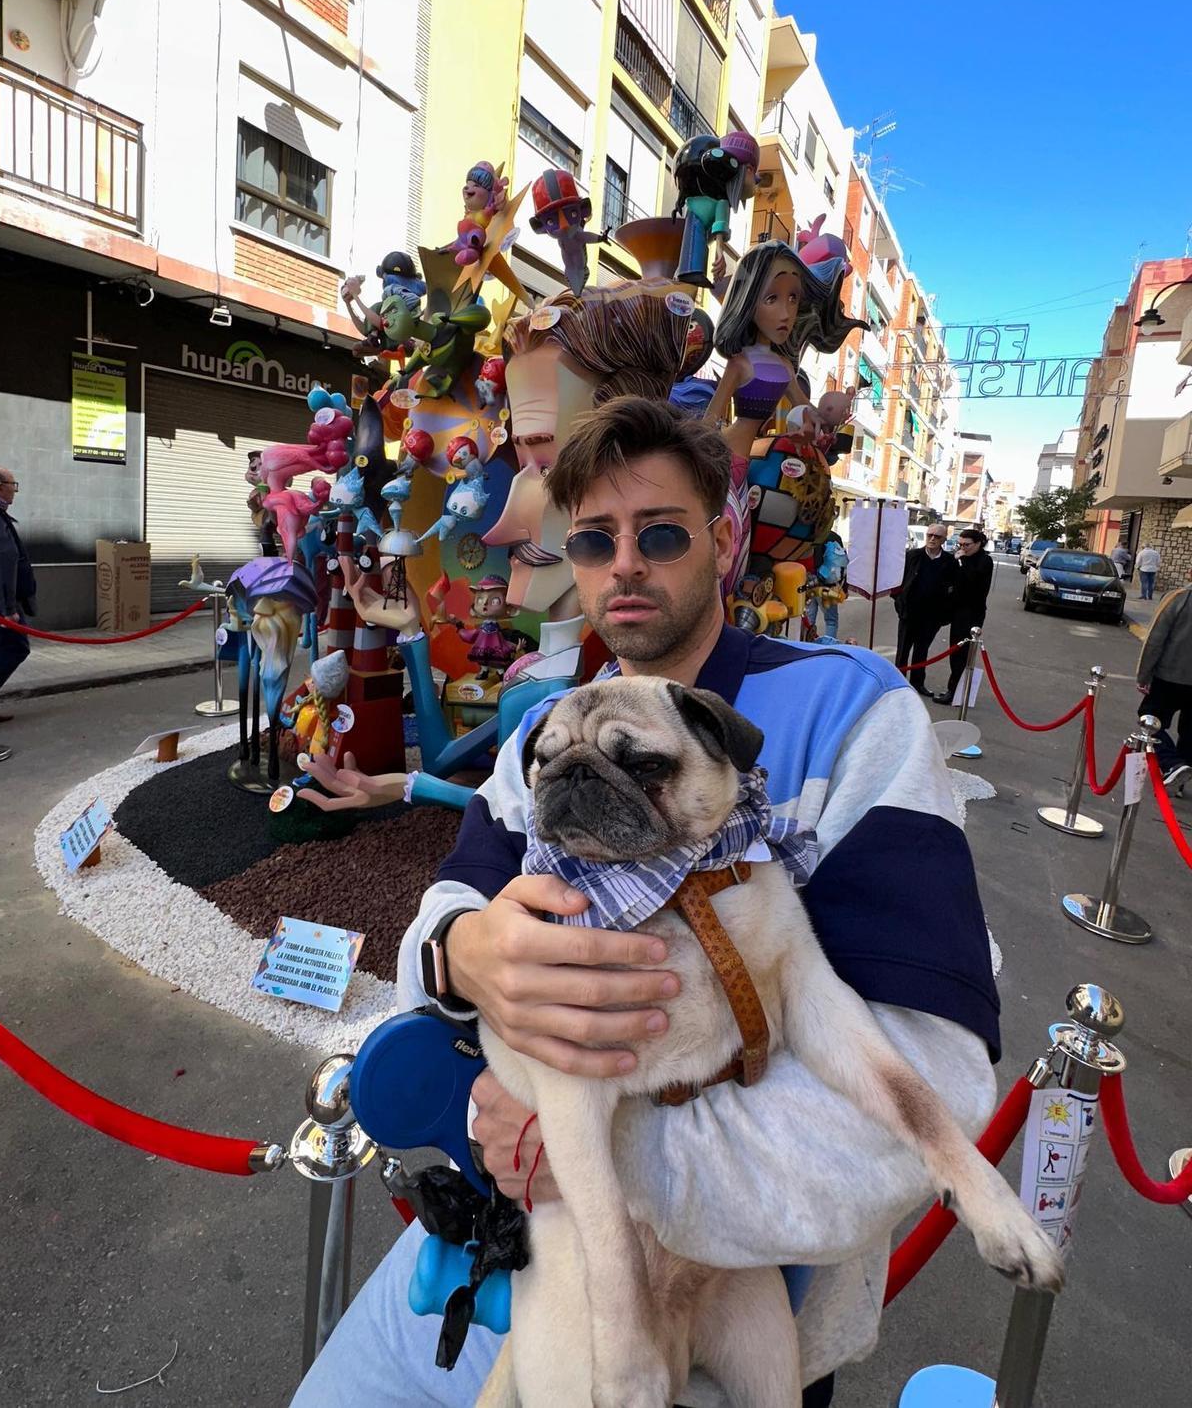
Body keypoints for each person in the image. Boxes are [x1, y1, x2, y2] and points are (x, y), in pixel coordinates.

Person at [293, 400, 1001, 1408]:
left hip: (743, 1305)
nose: (623, 563)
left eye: (659, 532)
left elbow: (923, 1077)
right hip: (493, 1254)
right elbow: (439, 927)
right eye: (594, 538)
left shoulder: (854, 714)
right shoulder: (548, 730)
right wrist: (462, 952)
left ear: (723, 540)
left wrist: (588, 1149)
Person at [1137, 565, 1192, 791]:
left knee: (1149, 720)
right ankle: (1180, 776)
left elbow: (1155, 639)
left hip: (1169, 676)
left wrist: (1144, 674)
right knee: (1190, 732)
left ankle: (1172, 764)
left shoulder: (1178, 599)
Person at [0, 465, 35, 755]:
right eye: (12, 484)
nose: (14, 489)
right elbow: (2, 564)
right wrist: (8, 609)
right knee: (15, 648)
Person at [894, 523, 956, 697]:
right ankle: (897, 684)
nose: (932, 539)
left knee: (922, 651)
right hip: (909, 613)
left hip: (931, 616)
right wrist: (899, 602)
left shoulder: (949, 562)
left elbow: (953, 588)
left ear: (944, 539)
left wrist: (944, 614)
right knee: (903, 650)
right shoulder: (912, 556)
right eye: (930, 535)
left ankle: (917, 683)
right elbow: (898, 582)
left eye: (937, 536)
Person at [936, 527, 995, 706]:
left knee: (962, 653)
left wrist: (961, 561)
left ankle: (955, 691)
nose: (963, 548)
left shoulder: (984, 561)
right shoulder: (960, 559)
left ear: (978, 544)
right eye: (960, 544)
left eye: (967, 545)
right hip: (956, 609)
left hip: (972, 612)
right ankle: (955, 689)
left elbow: (973, 582)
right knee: (955, 651)